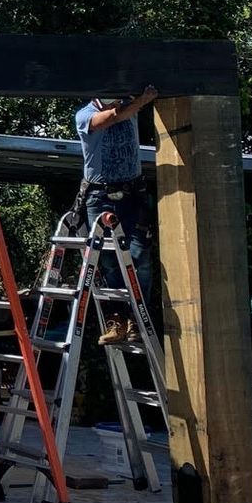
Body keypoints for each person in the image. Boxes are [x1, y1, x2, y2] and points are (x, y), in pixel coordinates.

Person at [74, 87, 158, 343]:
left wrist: (138, 100)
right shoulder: (85, 115)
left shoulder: (128, 109)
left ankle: (136, 319)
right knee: (109, 261)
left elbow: (122, 113)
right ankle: (117, 320)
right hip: (100, 196)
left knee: (139, 256)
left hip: (132, 194)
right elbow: (110, 118)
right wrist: (142, 100)